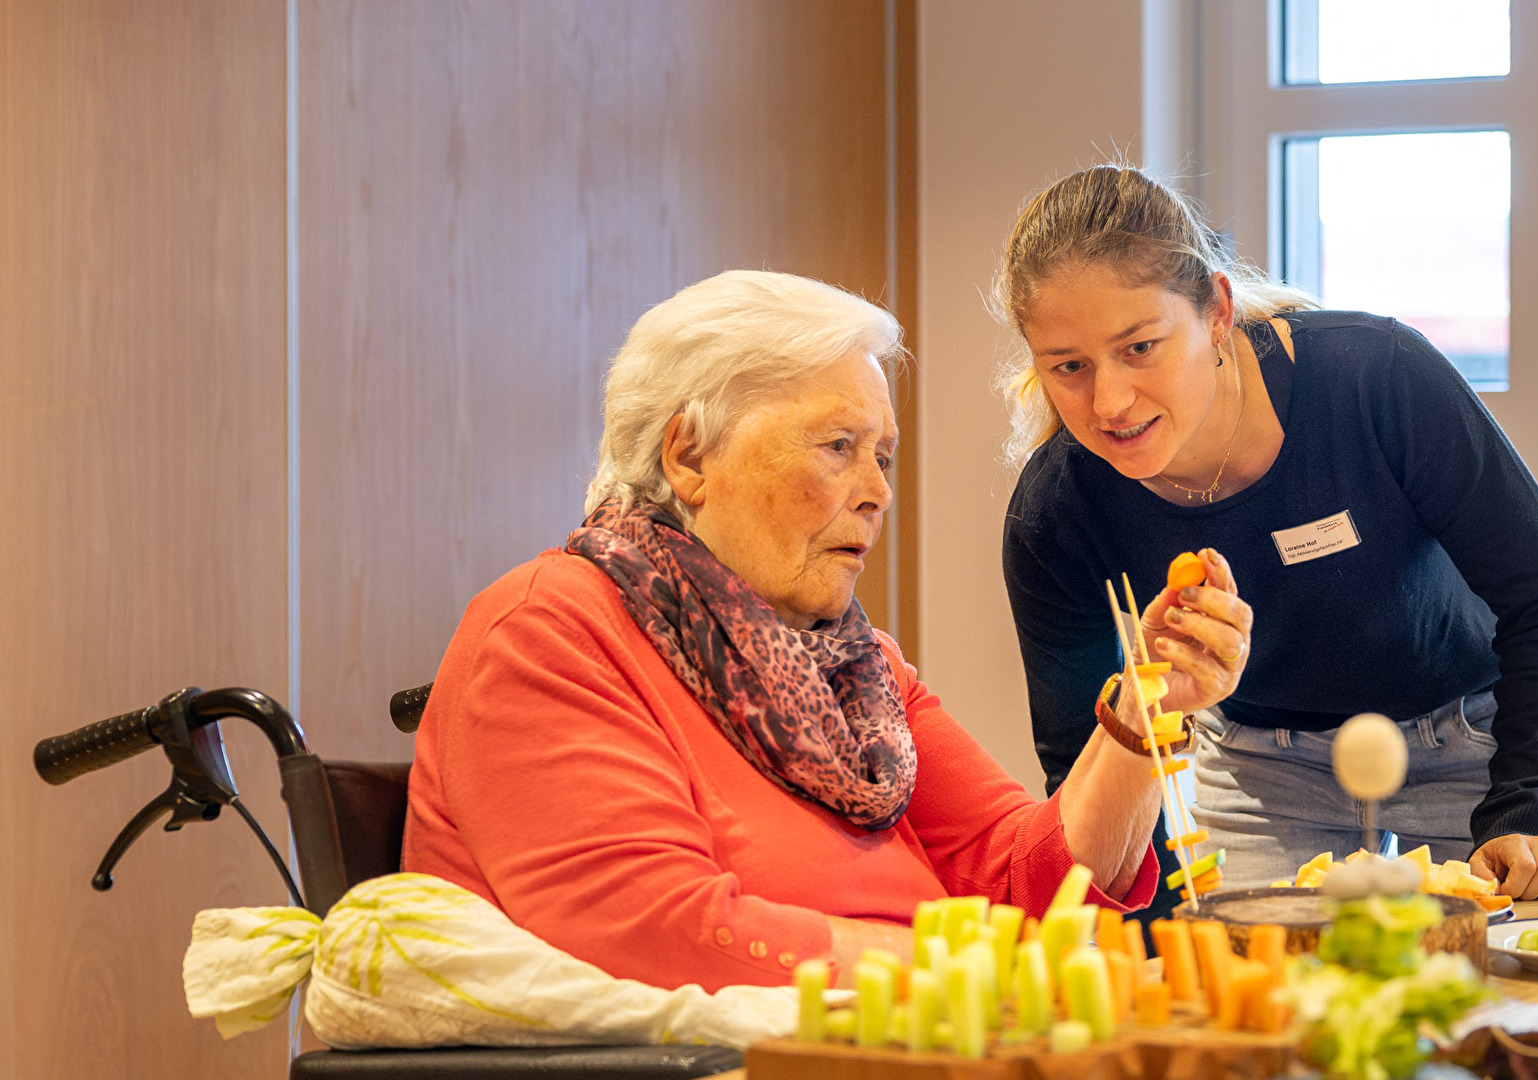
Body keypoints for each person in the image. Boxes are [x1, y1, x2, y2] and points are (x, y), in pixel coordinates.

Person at [404, 270, 1166, 993]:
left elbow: (1030, 887)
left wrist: (1147, 707)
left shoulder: (860, 670)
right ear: (689, 456)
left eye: (882, 458)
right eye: (838, 447)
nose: (877, 493)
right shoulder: (548, 628)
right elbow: (651, 932)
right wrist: (970, 964)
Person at [993, 165, 1538, 923]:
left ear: (1216, 311)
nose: (1109, 401)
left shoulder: (1374, 377)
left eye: (1140, 346)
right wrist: (1164, 927)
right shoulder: (1056, 511)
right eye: (1069, 367)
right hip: (1260, 772)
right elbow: (1082, 771)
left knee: (1478, 986)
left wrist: (1527, 807)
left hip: (1479, 749)